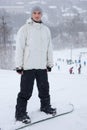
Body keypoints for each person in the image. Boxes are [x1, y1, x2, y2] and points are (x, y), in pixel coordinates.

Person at [15, 6, 56, 124]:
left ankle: (45, 107)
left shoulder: (46, 30)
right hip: (28, 67)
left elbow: (49, 48)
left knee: (44, 89)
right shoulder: (25, 29)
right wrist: (19, 65)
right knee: (25, 91)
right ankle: (20, 114)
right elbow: (19, 48)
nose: (37, 15)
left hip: (42, 66)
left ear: (41, 15)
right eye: (34, 13)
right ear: (31, 14)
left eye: (39, 13)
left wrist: (49, 63)